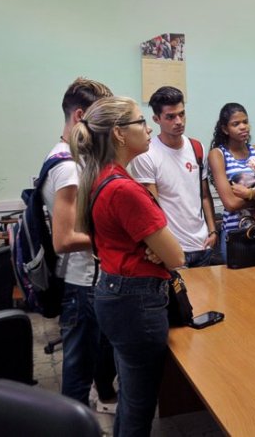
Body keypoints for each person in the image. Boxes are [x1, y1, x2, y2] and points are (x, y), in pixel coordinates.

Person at [71, 96, 185, 437]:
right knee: (139, 405)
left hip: (115, 291)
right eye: (140, 122)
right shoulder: (125, 190)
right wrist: (158, 251)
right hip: (135, 302)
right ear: (119, 134)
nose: (148, 128)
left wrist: (154, 249)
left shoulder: (102, 177)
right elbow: (176, 256)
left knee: (132, 400)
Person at [40, 77, 118, 412]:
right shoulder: (68, 167)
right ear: (81, 116)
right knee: (77, 373)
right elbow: (64, 239)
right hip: (81, 284)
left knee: (94, 360)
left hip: (89, 281)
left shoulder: (72, 158)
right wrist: (115, 236)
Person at [130, 86, 218, 267]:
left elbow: (204, 195)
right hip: (174, 248)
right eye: (170, 117)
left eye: (182, 114)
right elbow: (151, 207)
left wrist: (212, 231)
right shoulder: (146, 154)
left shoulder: (197, 147)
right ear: (156, 119)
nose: (178, 121)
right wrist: (162, 246)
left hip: (203, 245)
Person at [207, 102, 255, 263]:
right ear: (225, 129)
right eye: (236, 124)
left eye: (245, 122)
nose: (243, 127)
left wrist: (249, 193)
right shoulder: (218, 155)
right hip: (236, 234)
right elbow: (231, 204)